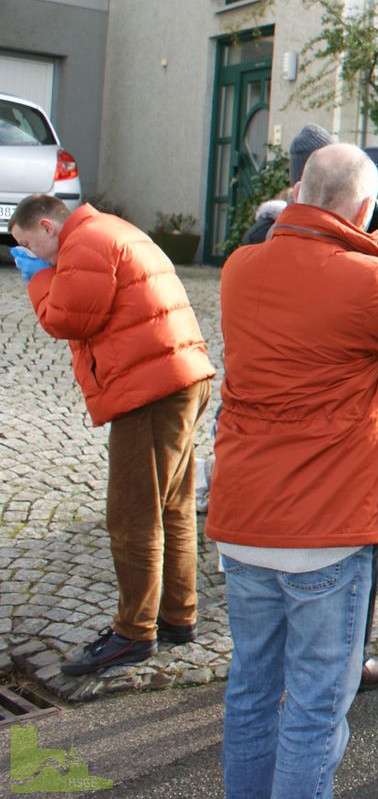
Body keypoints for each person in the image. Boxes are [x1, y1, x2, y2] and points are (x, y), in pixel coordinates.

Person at [206, 143, 378, 797]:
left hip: (244, 522)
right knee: (317, 709)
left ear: (297, 192)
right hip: (324, 532)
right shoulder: (366, 279)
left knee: (252, 692)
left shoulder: (239, 267)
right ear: (369, 207)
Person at [8, 196, 216, 675]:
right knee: (173, 506)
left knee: (131, 514)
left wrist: (39, 279)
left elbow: (66, 318)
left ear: (47, 225)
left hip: (151, 390)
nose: (31, 255)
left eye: (28, 245)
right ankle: (178, 618)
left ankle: (134, 633)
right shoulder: (110, 229)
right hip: (181, 376)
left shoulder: (84, 243)